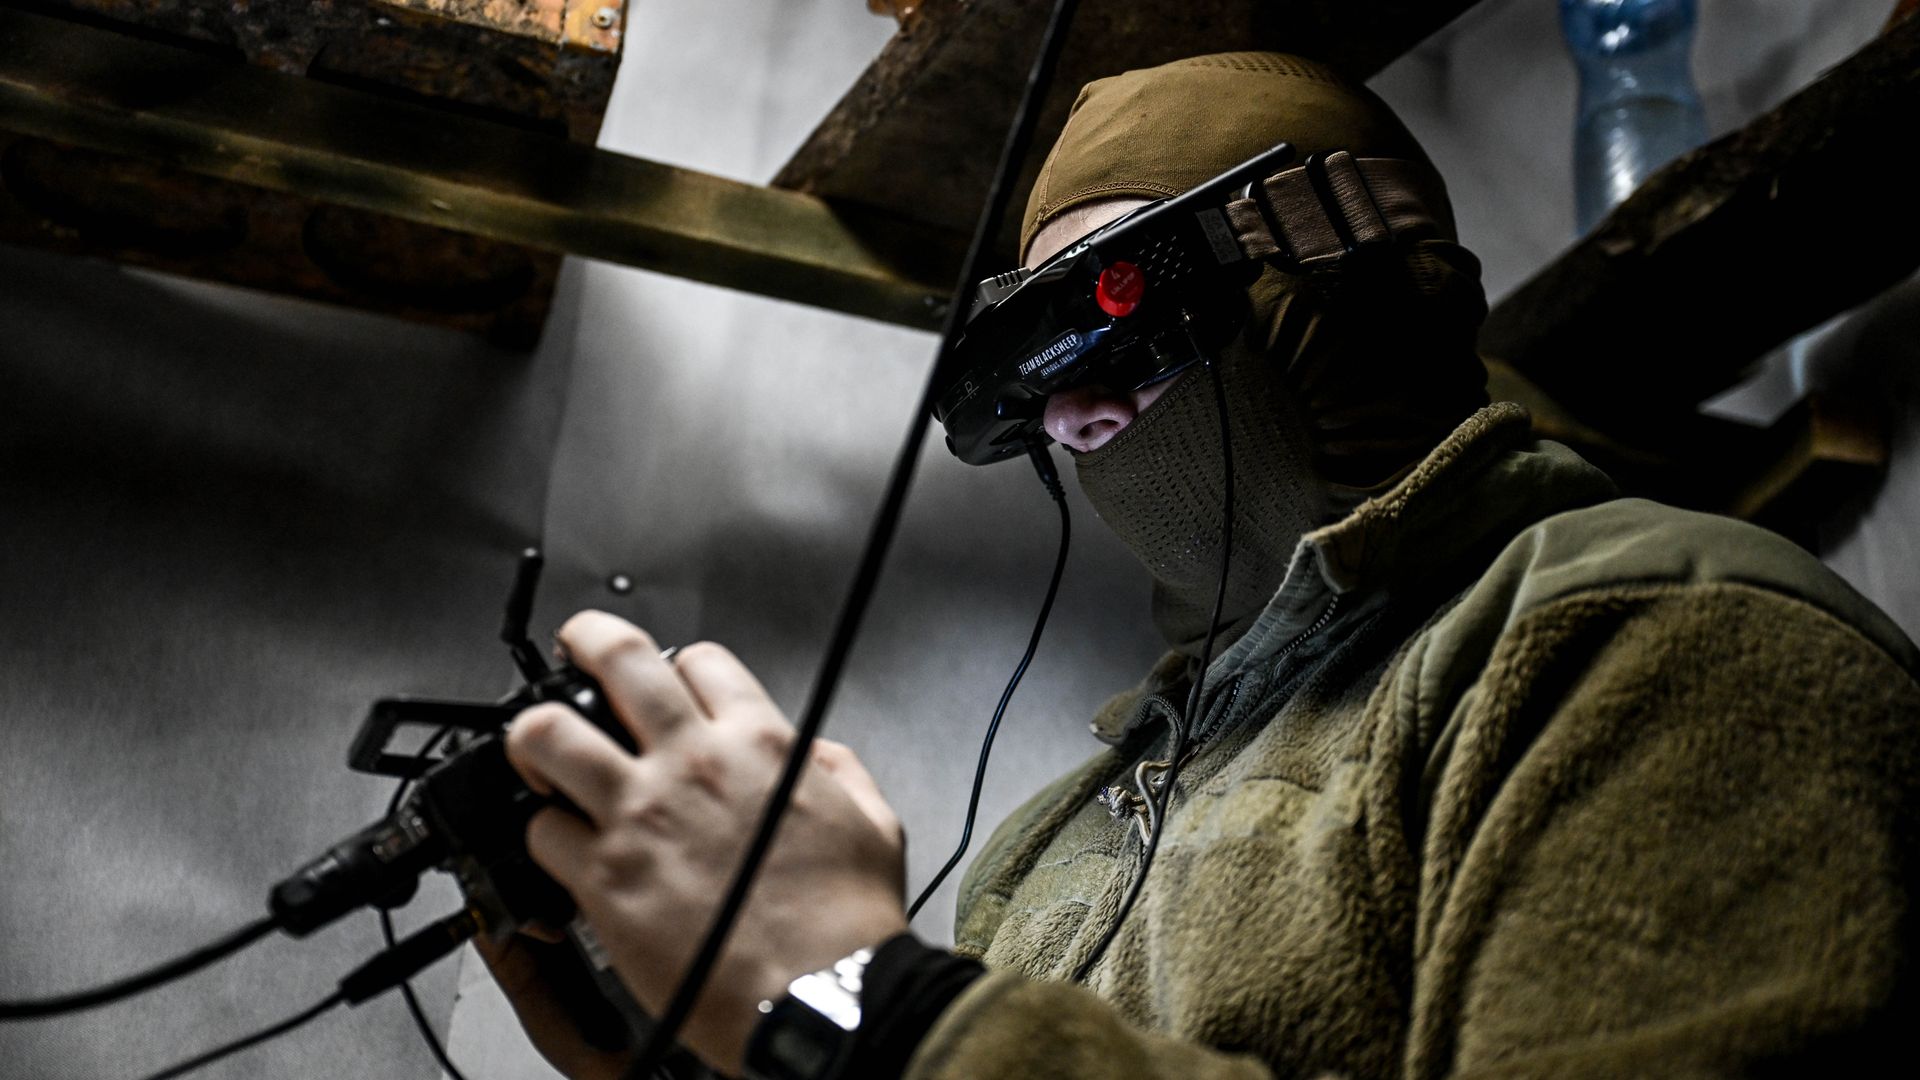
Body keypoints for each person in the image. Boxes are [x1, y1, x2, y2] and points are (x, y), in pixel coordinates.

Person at [485, 54, 1920, 1080]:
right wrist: (715, 1041)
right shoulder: (1058, 837)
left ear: (1343, 280)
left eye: (1127, 322)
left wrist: (879, 1001)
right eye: (1036, 376)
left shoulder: (1648, 636)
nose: (1074, 417)